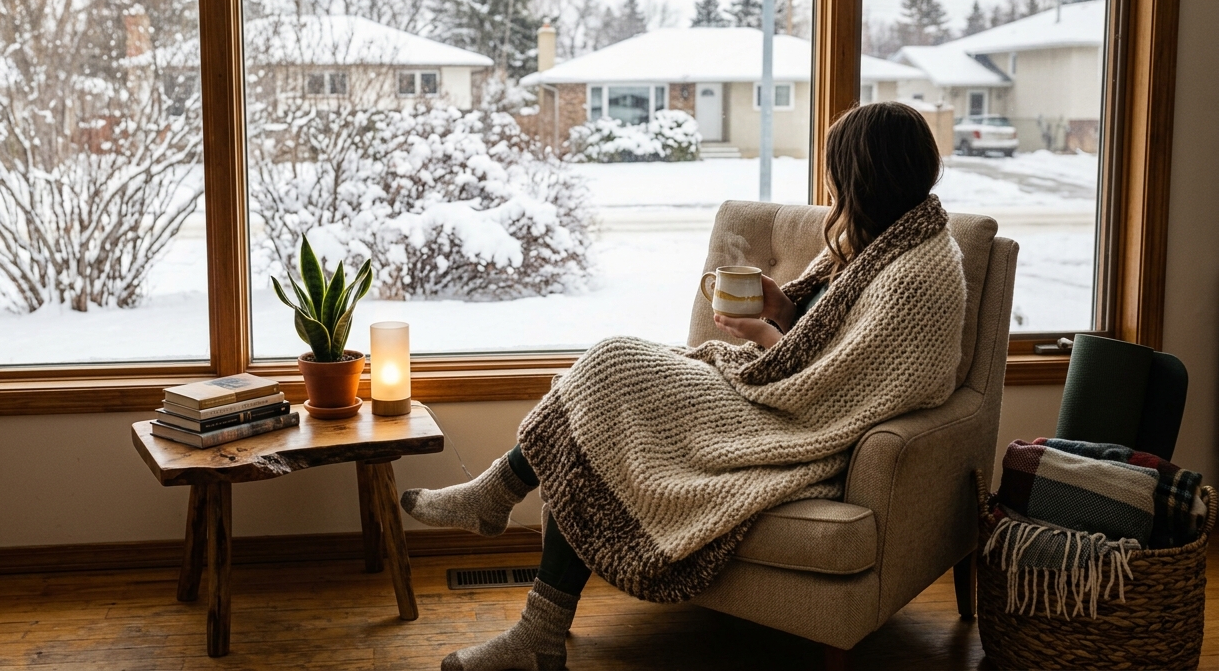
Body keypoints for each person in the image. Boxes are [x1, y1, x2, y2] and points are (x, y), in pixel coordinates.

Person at [402, 101, 968, 671]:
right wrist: (786, 307)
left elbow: (832, 389)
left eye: (838, 171)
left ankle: (506, 526)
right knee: (602, 387)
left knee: (609, 371)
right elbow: (833, 348)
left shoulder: (919, 272)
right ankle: (524, 591)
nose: (832, 183)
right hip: (769, 391)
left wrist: (762, 333)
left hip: (794, 422)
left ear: (868, 174)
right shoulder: (881, 235)